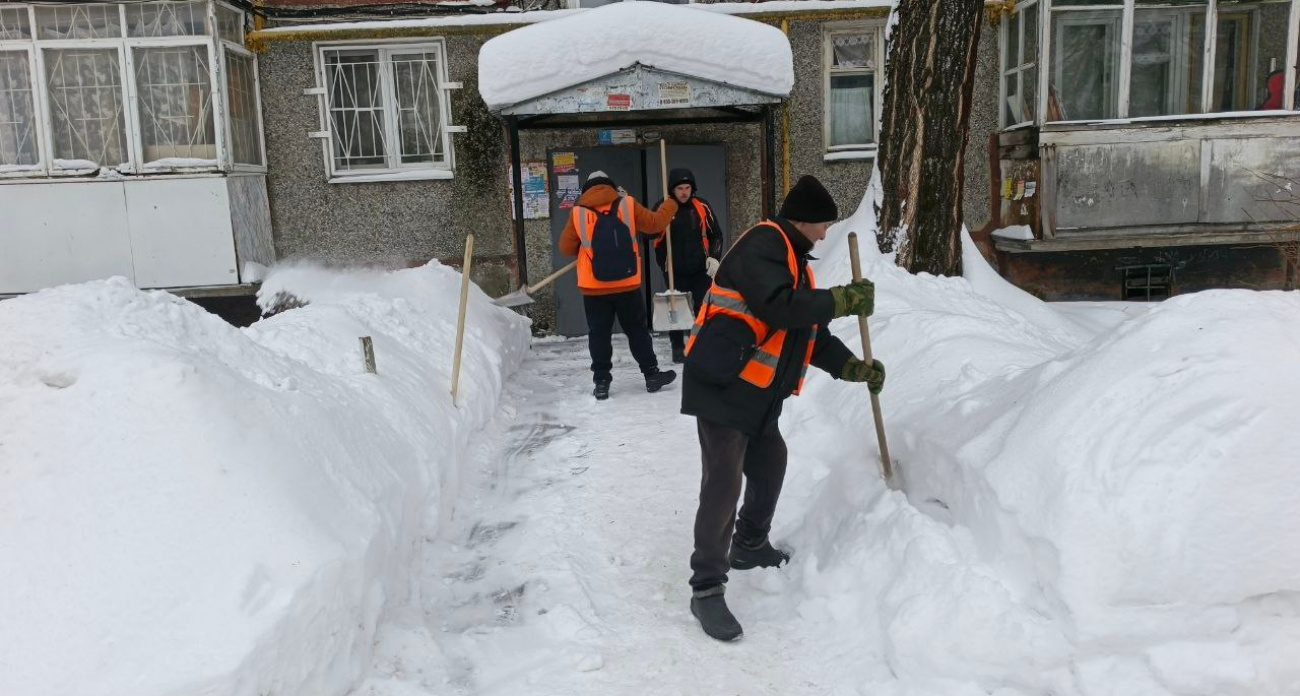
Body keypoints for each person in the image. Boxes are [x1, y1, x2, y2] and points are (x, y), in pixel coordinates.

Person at [680, 175, 885, 641]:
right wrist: (839, 300)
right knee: (723, 484)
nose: (824, 234)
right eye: (822, 225)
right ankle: (706, 589)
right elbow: (781, 309)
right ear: (803, 219)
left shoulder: (793, 261)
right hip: (722, 385)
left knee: (771, 462)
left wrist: (852, 368)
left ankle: (750, 544)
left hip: (756, 393)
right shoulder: (764, 244)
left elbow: (805, 333)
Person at [559, 170, 680, 401]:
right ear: (612, 187)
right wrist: (670, 204)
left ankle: (602, 383)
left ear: (586, 190)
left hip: (594, 289)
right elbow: (655, 225)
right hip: (627, 284)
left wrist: (586, 245)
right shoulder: (627, 204)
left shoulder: (578, 212)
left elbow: (566, 249)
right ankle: (651, 375)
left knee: (599, 334)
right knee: (637, 330)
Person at [653, 168, 723, 364]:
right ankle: (677, 347)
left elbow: (716, 234)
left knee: (704, 307)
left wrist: (715, 257)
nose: (683, 192)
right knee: (677, 306)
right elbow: (649, 234)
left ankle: (701, 344)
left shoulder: (701, 206)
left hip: (700, 267)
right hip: (674, 268)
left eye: (687, 188)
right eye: (679, 188)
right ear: (672, 190)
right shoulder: (663, 207)